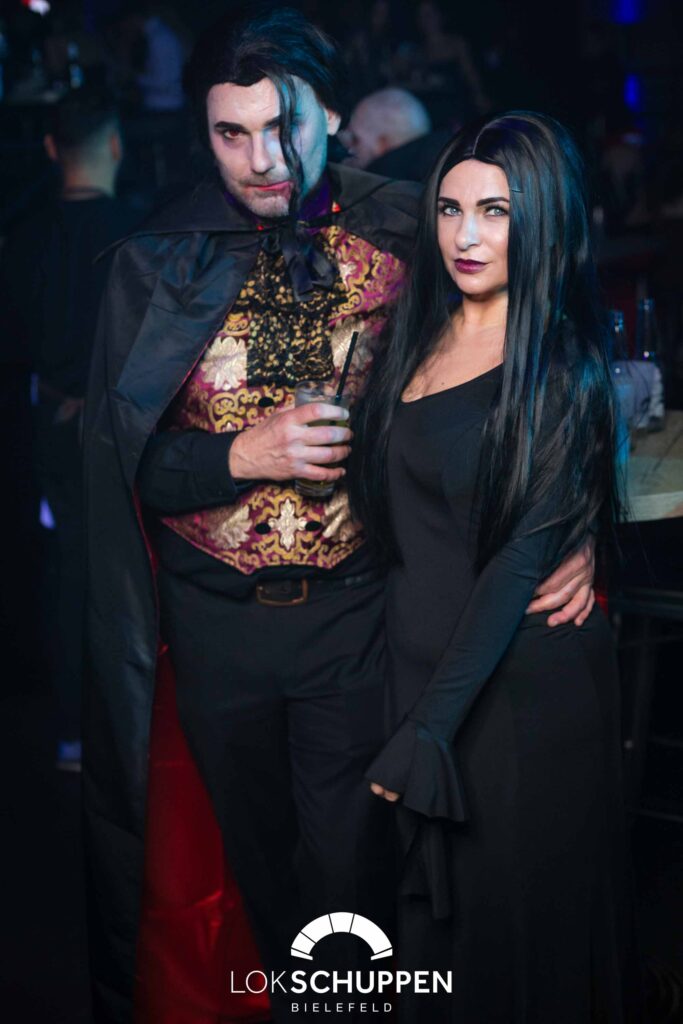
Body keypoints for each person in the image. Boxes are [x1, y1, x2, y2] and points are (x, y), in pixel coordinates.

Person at [83, 7, 596, 1020]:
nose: (262, 161)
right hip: (217, 632)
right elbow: (123, 472)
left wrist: (575, 523)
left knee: (353, 881)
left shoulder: (411, 227)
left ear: (328, 111)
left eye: (282, 126)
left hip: (359, 624)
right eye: (231, 134)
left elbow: (535, 357)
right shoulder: (154, 262)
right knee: (264, 881)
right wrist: (239, 454)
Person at [353, 112, 642, 1022]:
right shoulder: (417, 333)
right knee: (437, 956)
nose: (465, 236)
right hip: (423, 676)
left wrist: (427, 731)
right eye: (449, 209)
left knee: (512, 952)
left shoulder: (558, 367)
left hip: (514, 700)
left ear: (542, 219)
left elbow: (515, 569)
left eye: (495, 211)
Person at [0, 87, 135, 772]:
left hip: (56, 428)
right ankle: (127, 732)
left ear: (53, 148)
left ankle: (76, 733)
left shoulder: (22, 240)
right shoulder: (140, 233)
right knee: (128, 573)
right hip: (128, 434)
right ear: (115, 145)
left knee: (70, 571)